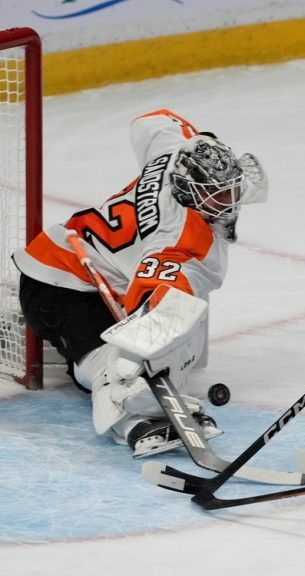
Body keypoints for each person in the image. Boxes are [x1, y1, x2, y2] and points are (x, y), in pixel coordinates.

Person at [12, 108, 268, 456]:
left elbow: (151, 120)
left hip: (78, 259)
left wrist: (199, 142)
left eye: (230, 189)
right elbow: (147, 307)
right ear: (190, 192)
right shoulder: (179, 240)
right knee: (121, 360)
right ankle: (132, 419)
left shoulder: (176, 154)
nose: (230, 200)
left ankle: (145, 390)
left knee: (185, 316)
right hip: (61, 285)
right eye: (218, 194)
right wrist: (134, 365)